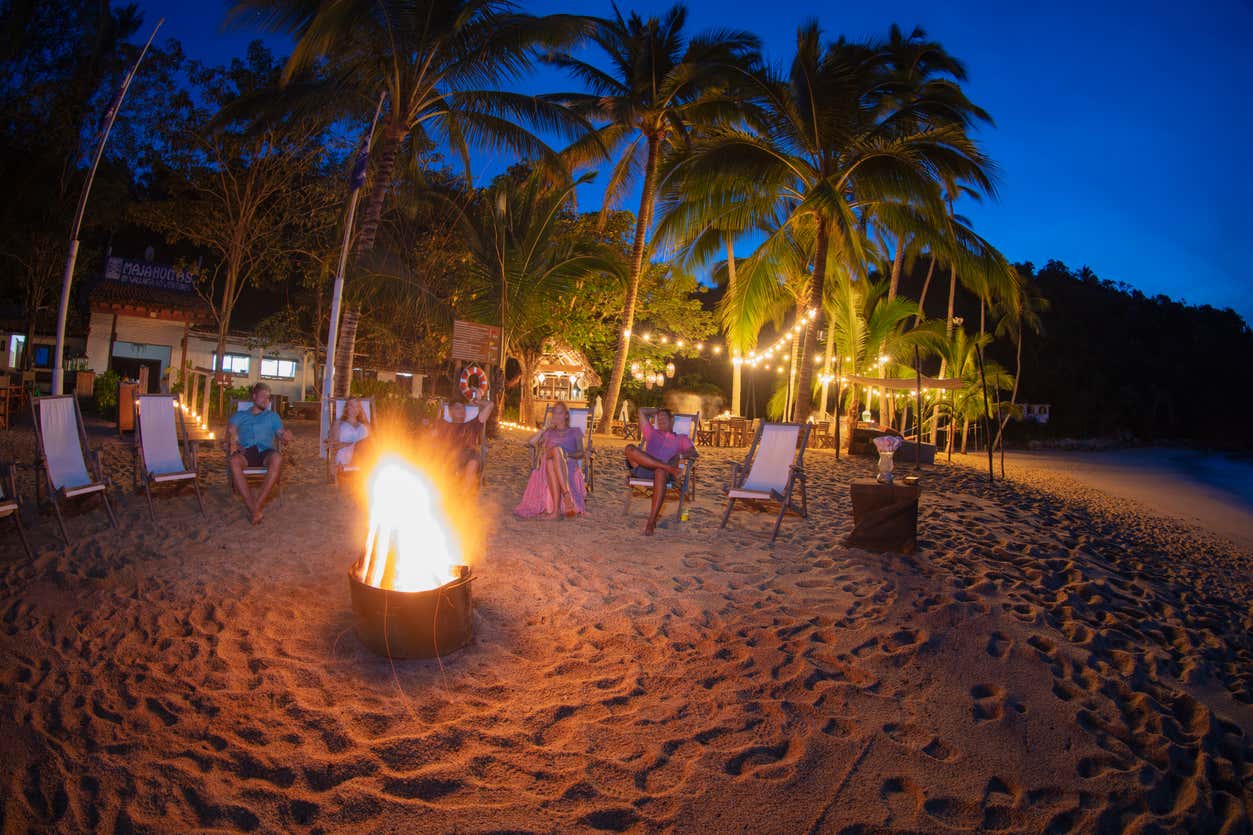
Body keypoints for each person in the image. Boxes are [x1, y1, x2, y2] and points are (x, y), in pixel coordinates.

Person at [624, 407, 697, 535]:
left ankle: (651, 521)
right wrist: (657, 411)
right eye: (659, 417)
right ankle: (666, 467)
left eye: (664, 417)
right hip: (644, 468)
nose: (661, 419)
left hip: (662, 475)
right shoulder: (651, 432)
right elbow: (641, 411)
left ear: (672, 420)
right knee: (629, 448)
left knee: (660, 471)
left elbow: (694, 453)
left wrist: (680, 456)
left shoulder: (681, 438)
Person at [227, 382, 293, 524]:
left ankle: (255, 507)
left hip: (265, 452)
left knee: (277, 458)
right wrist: (234, 441)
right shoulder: (240, 415)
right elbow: (230, 431)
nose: (266, 400)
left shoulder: (272, 416)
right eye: (263, 396)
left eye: (268, 398)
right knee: (233, 461)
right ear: (254, 396)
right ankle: (255, 509)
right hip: (246, 452)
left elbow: (281, 434)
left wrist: (285, 437)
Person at [515, 402, 586, 519]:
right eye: (554, 413)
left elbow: (581, 453)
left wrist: (566, 455)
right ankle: (566, 494)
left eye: (560, 412)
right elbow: (531, 442)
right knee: (556, 451)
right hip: (547, 461)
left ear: (566, 415)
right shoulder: (548, 432)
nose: (557, 416)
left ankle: (555, 512)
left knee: (552, 462)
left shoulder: (575, 431)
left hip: (567, 465)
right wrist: (544, 428)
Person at [430, 399, 493, 493]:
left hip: (469, 454)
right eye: (457, 408)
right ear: (450, 412)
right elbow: (430, 437)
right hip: (450, 455)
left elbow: (490, 405)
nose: (462, 410)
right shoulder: (443, 424)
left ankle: (464, 496)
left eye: (463, 408)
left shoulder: (472, 424)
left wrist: (476, 401)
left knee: (473, 462)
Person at [333, 397, 371, 470]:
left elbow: (372, 442)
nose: (354, 409)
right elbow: (335, 446)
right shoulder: (339, 423)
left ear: (360, 409)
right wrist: (354, 444)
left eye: (357, 406)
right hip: (344, 462)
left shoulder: (364, 425)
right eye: (351, 406)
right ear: (346, 408)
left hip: (364, 461)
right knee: (361, 444)